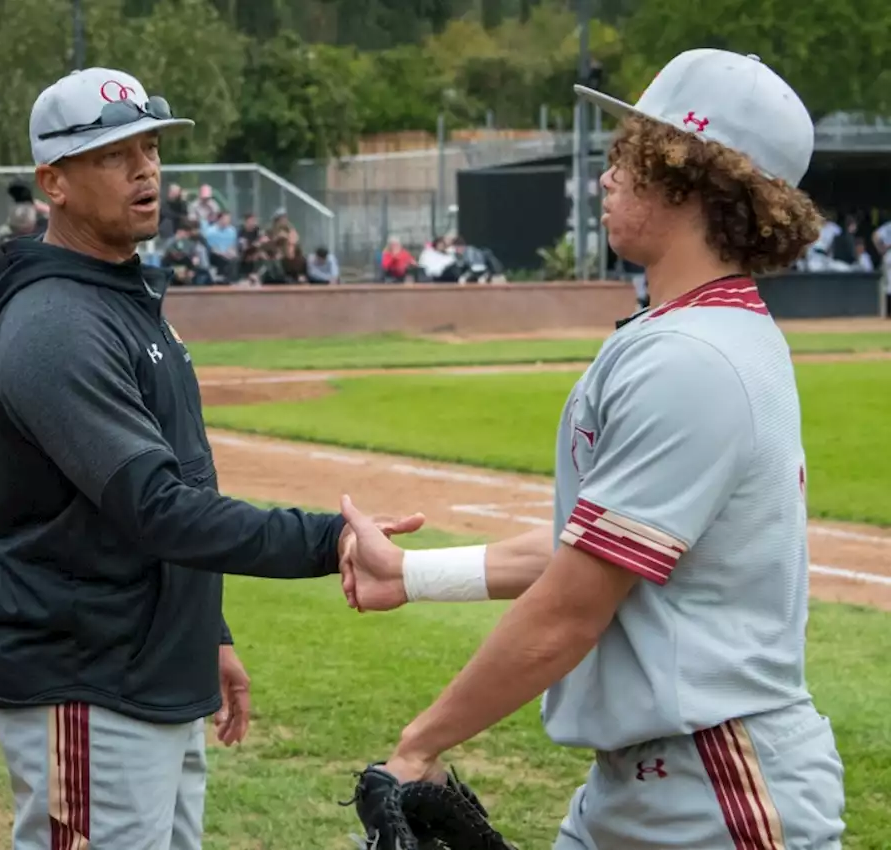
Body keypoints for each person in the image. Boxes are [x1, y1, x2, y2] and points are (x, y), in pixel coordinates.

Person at [339, 48, 845, 849]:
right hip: (648, 786)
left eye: (630, 154)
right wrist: (412, 573)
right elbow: (595, 553)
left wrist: (421, 744)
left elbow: (574, 607)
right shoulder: (694, 334)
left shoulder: (692, 359)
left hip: (717, 794)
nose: (609, 175)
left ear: (692, 176)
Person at [0, 66, 423, 850]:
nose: (145, 169)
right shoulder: (57, 324)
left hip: (150, 676)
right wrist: (332, 539)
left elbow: (176, 484)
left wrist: (205, 630)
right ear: (55, 182)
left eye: (149, 148)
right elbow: (157, 507)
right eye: (116, 154)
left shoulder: (116, 296)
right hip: (91, 682)